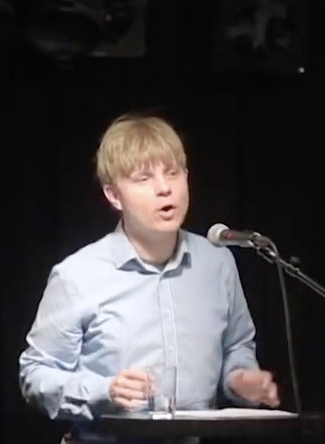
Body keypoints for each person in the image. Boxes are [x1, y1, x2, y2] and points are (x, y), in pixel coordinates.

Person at [18, 114, 279, 443]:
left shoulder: (217, 263)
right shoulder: (77, 276)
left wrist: (240, 379)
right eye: (144, 178)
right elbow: (35, 375)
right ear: (114, 196)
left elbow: (237, 346)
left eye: (173, 173)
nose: (164, 188)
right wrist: (104, 390)